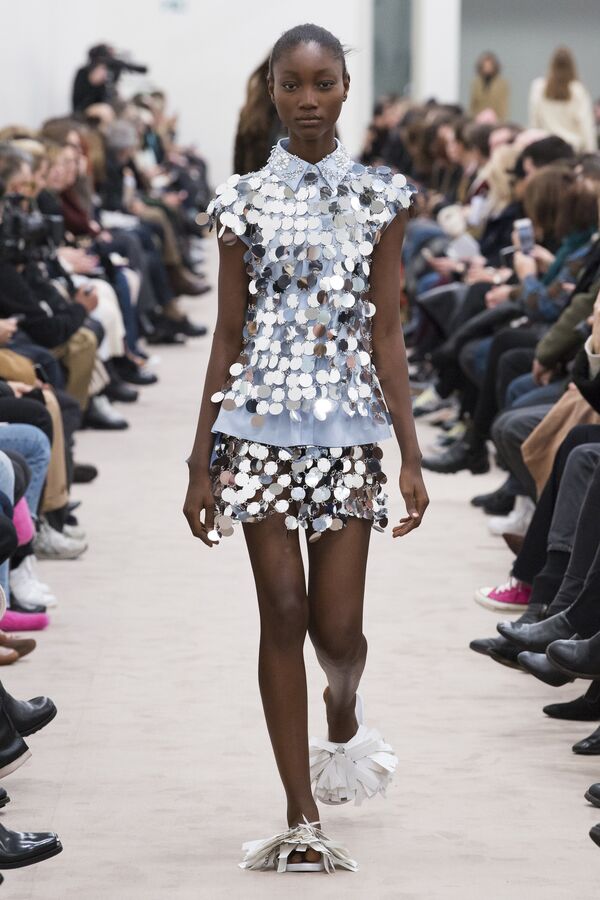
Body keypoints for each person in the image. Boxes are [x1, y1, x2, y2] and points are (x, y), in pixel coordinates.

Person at [183, 23, 428, 874]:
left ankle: (343, 704)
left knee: (339, 629)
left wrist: (410, 455)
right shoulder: (242, 200)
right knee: (282, 611)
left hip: (350, 430)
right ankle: (300, 812)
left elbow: (388, 332)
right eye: (293, 84)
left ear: (346, 89)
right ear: (274, 92)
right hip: (256, 427)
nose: (309, 100)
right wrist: (199, 462)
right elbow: (226, 335)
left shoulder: (382, 198)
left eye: (324, 84)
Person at [529, 47, 596, 152]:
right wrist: (591, 151)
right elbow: (586, 125)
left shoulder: (538, 87)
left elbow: (534, 122)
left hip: (547, 148)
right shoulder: (578, 90)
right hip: (572, 149)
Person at [469, 52, 510, 121]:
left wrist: (501, 120)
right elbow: (473, 104)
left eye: (489, 66)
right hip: (478, 119)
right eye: (485, 66)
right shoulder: (476, 83)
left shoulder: (502, 84)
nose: (487, 68)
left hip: (496, 119)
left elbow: (503, 104)